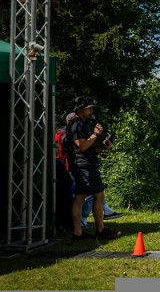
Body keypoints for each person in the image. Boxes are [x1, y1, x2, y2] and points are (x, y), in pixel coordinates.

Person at [66, 96, 121, 240]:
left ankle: (78, 232)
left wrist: (103, 147)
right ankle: (100, 229)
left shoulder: (82, 124)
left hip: (83, 163)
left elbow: (88, 147)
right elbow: (82, 146)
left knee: (80, 197)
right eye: (88, 108)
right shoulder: (76, 124)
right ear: (80, 109)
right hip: (84, 166)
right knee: (98, 195)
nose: (91, 111)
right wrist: (95, 133)